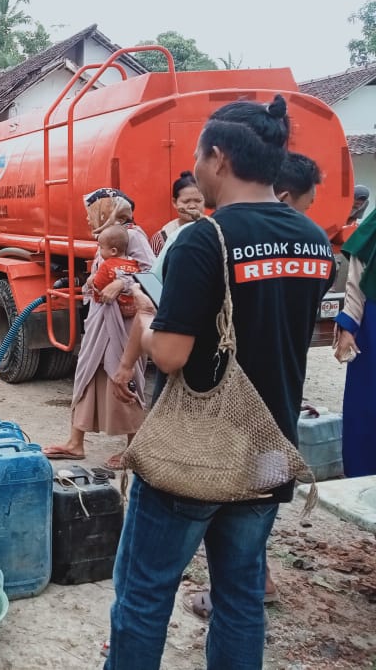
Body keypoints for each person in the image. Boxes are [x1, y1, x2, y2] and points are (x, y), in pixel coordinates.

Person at [105, 95, 332, 670]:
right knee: (241, 595)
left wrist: (146, 322)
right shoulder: (312, 240)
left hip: (197, 451)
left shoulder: (205, 240)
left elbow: (175, 354)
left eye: (199, 156)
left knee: (145, 591)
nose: (197, 168)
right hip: (270, 447)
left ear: (219, 157)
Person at [43, 189, 152, 468]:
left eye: (92, 210)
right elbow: (102, 269)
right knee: (87, 373)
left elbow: (149, 274)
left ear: (106, 209)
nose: (88, 216)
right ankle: (75, 443)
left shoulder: (133, 235)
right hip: (100, 319)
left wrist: (122, 284)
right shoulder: (106, 235)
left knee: (123, 377)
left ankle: (134, 448)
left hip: (123, 323)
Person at [335, 198, 376, 477]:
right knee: (367, 404)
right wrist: (348, 325)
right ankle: (363, 476)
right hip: (374, 323)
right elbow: (358, 274)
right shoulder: (374, 223)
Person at [150, 171, 205, 255]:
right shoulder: (161, 238)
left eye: (198, 201)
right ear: (174, 202)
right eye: (186, 201)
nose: (192, 206)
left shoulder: (217, 232)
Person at [92, 225, 141, 318]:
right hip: (133, 311)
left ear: (113, 251)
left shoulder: (106, 265)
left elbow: (97, 287)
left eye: (101, 248)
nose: (100, 251)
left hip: (114, 313)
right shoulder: (134, 263)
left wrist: (92, 282)